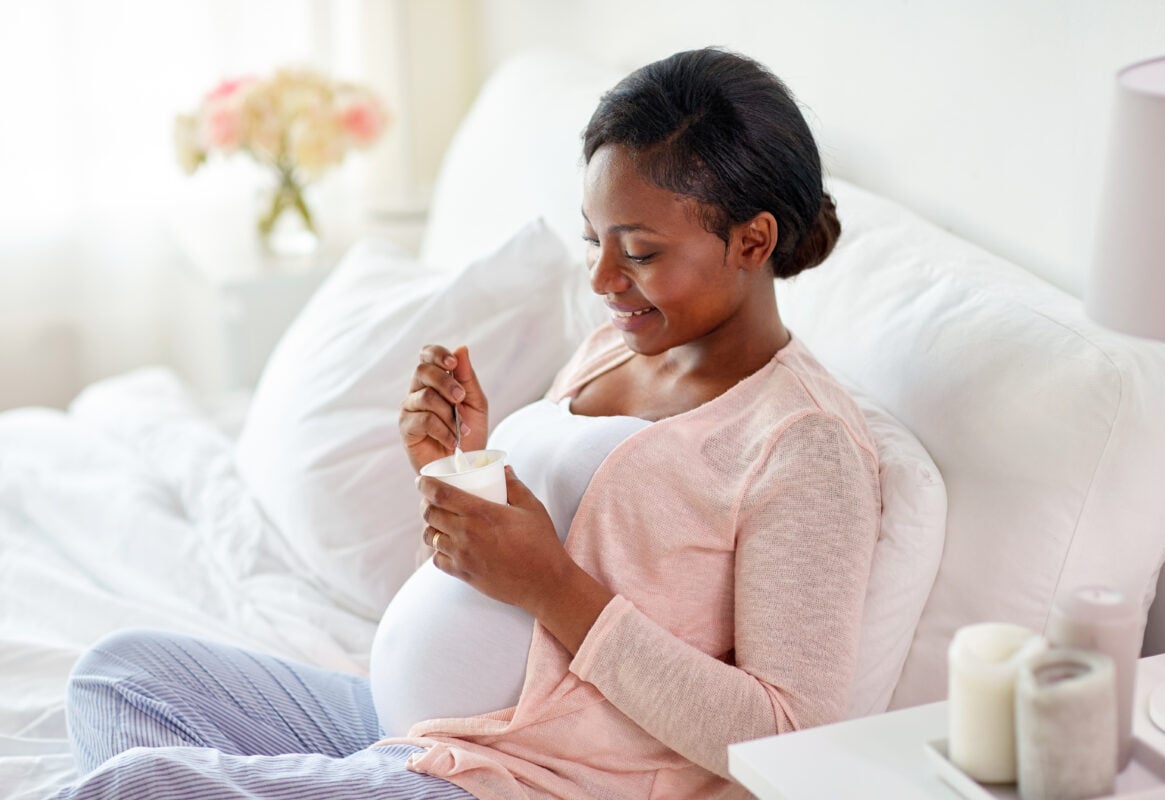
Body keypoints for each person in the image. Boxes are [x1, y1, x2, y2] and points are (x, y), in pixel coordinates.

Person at [54, 47, 881, 800]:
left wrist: (553, 585)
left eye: (637, 251)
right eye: (593, 239)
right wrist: (460, 468)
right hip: (424, 735)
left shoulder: (803, 444)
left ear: (753, 239)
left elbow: (786, 738)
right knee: (117, 677)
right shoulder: (613, 348)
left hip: (536, 779)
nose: (600, 278)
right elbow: (537, 563)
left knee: (137, 786)